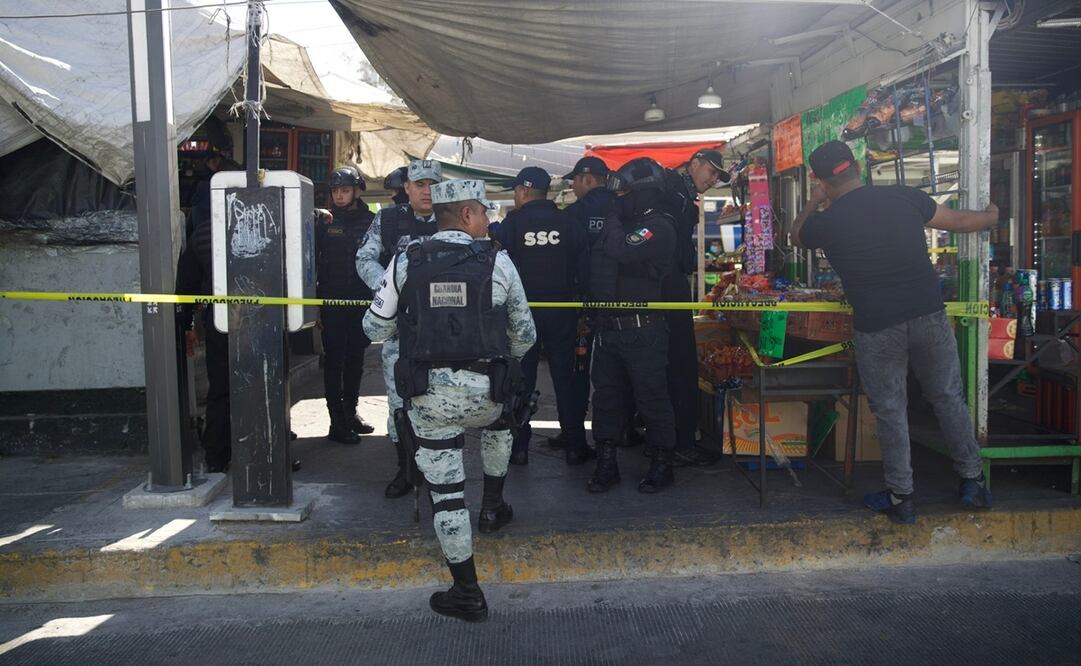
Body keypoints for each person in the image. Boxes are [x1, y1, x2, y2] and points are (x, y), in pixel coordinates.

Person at [792, 140, 998, 524]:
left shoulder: (826, 221)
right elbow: (959, 221)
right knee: (949, 398)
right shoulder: (904, 197)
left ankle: (902, 498)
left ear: (819, 180)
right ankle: (972, 482)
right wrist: (990, 215)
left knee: (890, 411)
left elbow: (796, 233)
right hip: (928, 316)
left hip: (877, 325)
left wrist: (812, 200)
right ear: (855, 166)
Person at [363, 178, 537, 622]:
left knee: (447, 496)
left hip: (429, 400)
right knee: (502, 420)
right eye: (482, 211)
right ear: (466, 215)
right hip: (489, 395)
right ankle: (494, 506)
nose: (487, 219)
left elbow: (375, 329)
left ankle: (467, 590)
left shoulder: (405, 260)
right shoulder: (499, 260)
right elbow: (525, 336)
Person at [588, 157, 678, 494]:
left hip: (644, 331)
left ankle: (661, 463)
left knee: (652, 398)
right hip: (609, 329)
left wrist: (610, 220)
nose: (619, 198)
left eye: (626, 193)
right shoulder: (624, 223)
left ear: (645, 193)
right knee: (607, 400)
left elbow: (622, 251)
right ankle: (606, 462)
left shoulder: (660, 226)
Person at [356, 159, 442, 498]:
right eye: (419, 183)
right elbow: (364, 257)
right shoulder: (388, 219)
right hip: (400, 330)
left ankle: (437, 467)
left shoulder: (453, 218)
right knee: (399, 400)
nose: (426, 190)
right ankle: (405, 469)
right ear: (406, 187)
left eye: (433, 184)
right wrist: (390, 288)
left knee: (440, 398)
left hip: (442, 328)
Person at [494, 166, 590, 466]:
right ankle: (574, 444)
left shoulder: (511, 225)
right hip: (563, 312)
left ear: (523, 192)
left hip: (523, 315)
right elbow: (585, 269)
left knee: (521, 380)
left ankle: (519, 446)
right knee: (567, 379)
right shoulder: (570, 222)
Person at [655, 149, 731, 467]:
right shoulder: (673, 192)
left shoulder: (676, 192)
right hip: (666, 287)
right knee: (680, 363)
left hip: (660, 286)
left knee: (665, 365)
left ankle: (666, 440)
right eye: (711, 172)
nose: (713, 180)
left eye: (717, 176)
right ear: (694, 164)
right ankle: (680, 442)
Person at [552, 157, 616, 452]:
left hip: (581, 306)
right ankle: (618, 435)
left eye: (575, 181)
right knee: (617, 370)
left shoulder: (573, 214)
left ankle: (574, 435)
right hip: (622, 303)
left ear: (588, 179)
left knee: (576, 369)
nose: (574, 187)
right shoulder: (621, 206)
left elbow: (567, 261)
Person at [316, 166, 376, 444]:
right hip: (331, 301)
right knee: (334, 360)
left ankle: (350, 413)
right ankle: (336, 421)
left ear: (356, 191)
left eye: (345, 190)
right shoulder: (323, 222)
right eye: (335, 191)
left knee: (356, 358)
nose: (339, 196)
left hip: (361, 301)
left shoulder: (372, 221)